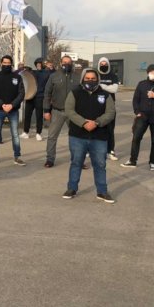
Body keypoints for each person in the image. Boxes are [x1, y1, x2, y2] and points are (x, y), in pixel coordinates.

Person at [62, 68, 117, 203]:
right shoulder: (74, 93)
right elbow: (69, 110)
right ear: (82, 79)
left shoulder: (105, 95)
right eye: (87, 78)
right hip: (78, 135)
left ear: (97, 79)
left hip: (99, 136)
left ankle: (102, 191)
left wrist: (97, 122)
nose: (90, 81)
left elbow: (111, 112)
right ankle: (72, 188)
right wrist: (84, 123)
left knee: (100, 164)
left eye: (93, 78)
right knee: (76, 162)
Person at [121, 64, 154, 171]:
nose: (153, 74)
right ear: (148, 73)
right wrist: (137, 112)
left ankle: (153, 162)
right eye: (151, 72)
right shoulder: (142, 84)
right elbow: (135, 100)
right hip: (143, 116)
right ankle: (132, 160)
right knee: (136, 138)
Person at [42, 55, 79, 168]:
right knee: (52, 136)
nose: (66, 64)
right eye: (64, 62)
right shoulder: (54, 76)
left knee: (76, 137)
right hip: (57, 111)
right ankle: (50, 159)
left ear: (71, 63)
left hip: (73, 112)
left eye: (68, 62)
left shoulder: (77, 77)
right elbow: (47, 94)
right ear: (61, 63)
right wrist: (46, 110)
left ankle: (77, 160)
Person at [0, 55, 25, 164]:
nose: (7, 65)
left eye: (9, 63)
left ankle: (17, 156)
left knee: (15, 134)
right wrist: (2, 104)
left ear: (11, 64)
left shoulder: (17, 77)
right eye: (5, 63)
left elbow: (21, 93)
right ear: (1, 63)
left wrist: (12, 105)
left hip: (13, 110)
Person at [22, 57, 51, 142]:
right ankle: (25, 132)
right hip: (30, 96)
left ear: (43, 65)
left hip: (40, 97)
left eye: (39, 64)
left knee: (39, 116)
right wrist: (26, 70)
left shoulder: (46, 73)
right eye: (37, 64)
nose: (38, 66)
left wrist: (30, 71)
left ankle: (38, 133)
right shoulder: (33, 72)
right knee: (27, 115)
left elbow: (40, 74)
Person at [97, 57, 120, 160]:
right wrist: (107, 87)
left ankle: (111, 150)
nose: (103, 65)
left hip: (110, 106)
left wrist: (102, 86)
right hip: (97, 105)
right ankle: (93, 149)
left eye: (105, 63)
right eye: (101, 63)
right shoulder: (96, 75)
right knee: (96, 127)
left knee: (110, 129)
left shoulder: (113, 76)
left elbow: (114, 89)